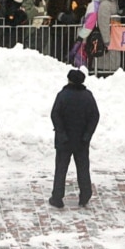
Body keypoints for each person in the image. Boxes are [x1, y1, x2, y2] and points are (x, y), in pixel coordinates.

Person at [49, 68, 100, 208]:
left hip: (64, 141)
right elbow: (95, 116)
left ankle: (57, 198)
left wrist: (61, 132)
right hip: (82, 141)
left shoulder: (62, 95)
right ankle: (85, 196)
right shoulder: (88, 96)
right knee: (83, 169)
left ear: (69, 80)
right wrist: (87, 135)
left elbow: (55, 115)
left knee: (61, 169)